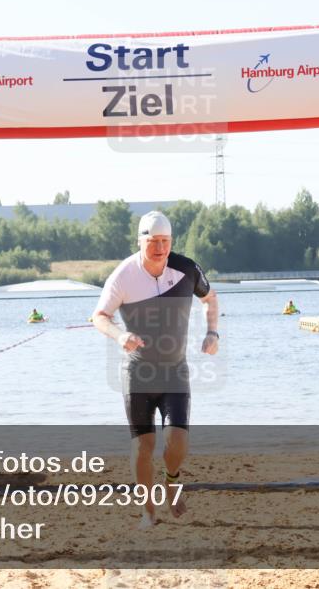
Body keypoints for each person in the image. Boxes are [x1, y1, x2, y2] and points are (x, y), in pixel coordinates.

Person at [92, 211, 219, 528]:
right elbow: (99, 316)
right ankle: (148, 511)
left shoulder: (186, 269)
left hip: (175, 371)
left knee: (177, 441)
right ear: (140, 241)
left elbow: (210, 298)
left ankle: (172, 480)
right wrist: (121, 335)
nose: (160, 248)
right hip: (138, 374)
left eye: (165, 241)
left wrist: (212, 333)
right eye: (153, 242)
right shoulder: (123, 275)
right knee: (143, 445)